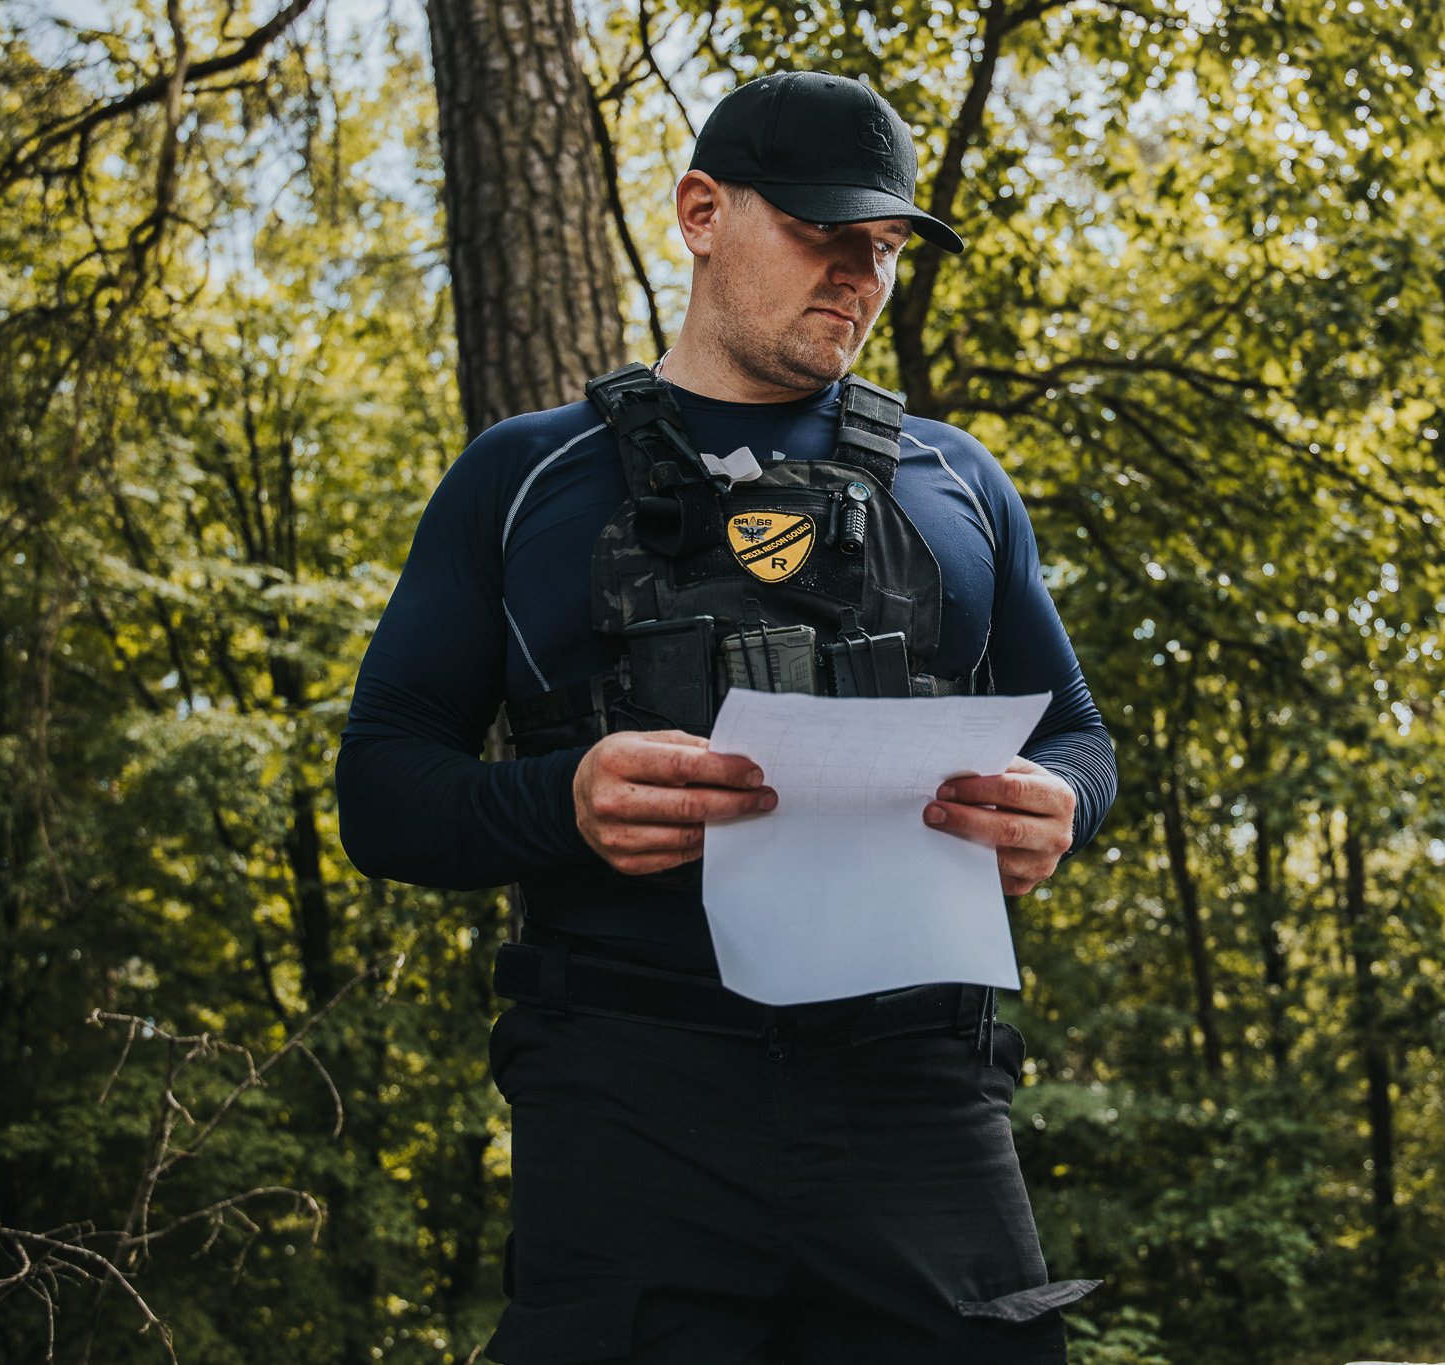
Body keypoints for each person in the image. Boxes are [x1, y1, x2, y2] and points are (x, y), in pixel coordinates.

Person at [336, 70, 1116, 1364]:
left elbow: (1077, 737)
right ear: (701, 211)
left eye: (880, 250)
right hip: (628, 1098)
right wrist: (561, 799)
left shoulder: (960, 483)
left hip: (918, 1097)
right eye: (824, 235)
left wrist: (1060, 809)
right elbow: (380, 789)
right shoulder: (523, 478)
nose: (858, 278)